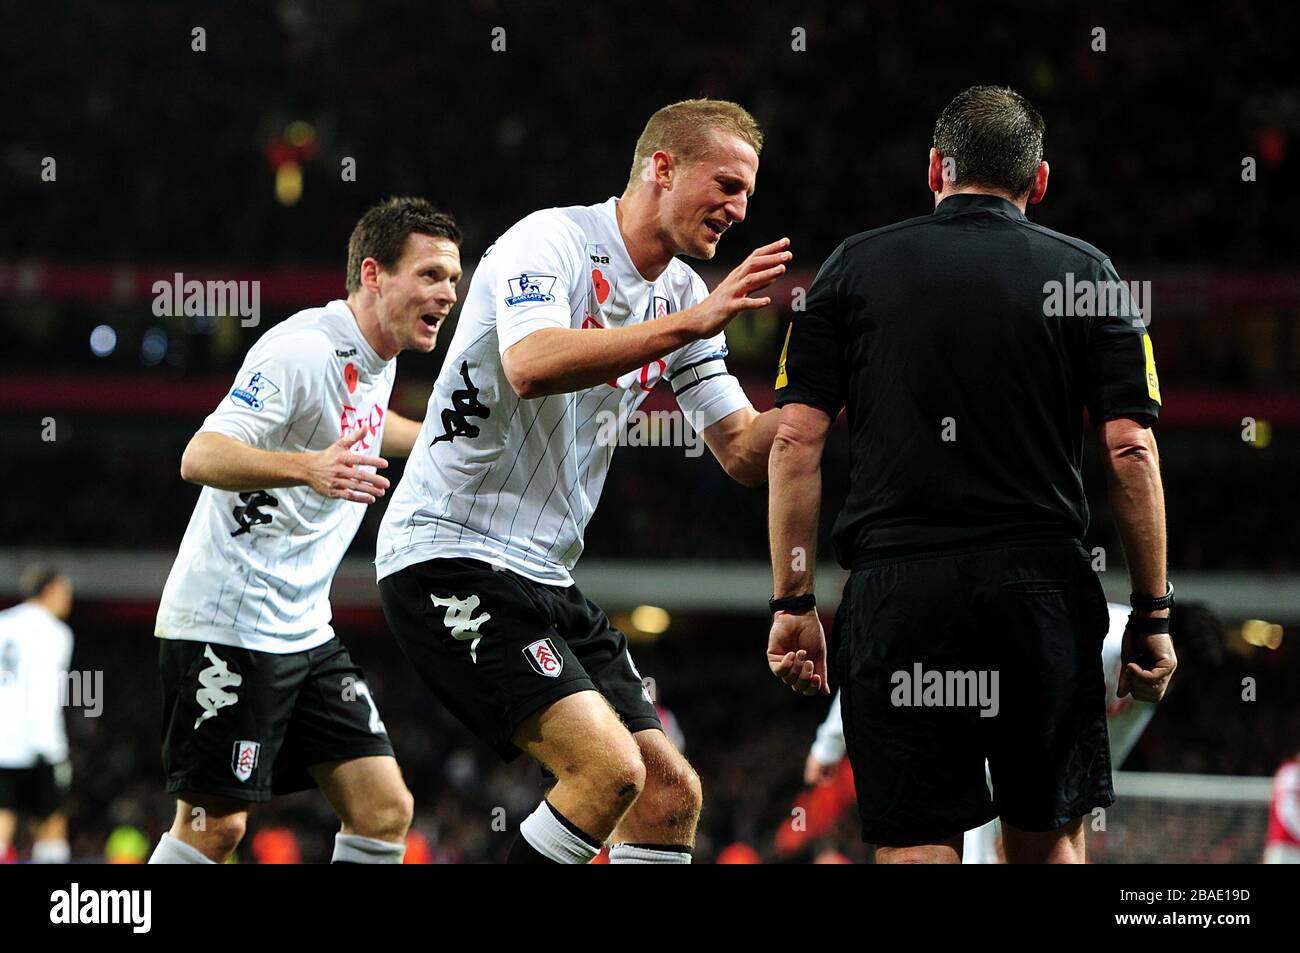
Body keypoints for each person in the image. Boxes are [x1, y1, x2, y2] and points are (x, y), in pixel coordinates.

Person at [767, 85, 1174, 864]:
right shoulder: (1087, 272)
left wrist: (793, 600)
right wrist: (1152, 612)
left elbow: (793, 443)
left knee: (916, 841)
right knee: (1047, 838)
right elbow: (1132, 450)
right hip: (1041, 594)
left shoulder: (853, 267)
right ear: (1040, 180)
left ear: (933, 170)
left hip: (900, 591)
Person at [377, 98, 787, 864]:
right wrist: (689, 328)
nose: (737, 209)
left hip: (547, 578)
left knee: (669, 797)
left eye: (747, 195)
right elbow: (530, 365)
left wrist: (820, 395)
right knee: (607, 770)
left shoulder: (685, 298)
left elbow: (741, 449)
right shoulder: (551, 241)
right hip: (446, 555)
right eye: (727, 185)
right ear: (662, 167)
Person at [149, 197, 462, 864]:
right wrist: (309, 468)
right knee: (214, 827)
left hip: (302, 629)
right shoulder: (302, 349)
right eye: (431, 275)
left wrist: (450, 440)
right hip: (226, 624)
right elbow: (200, 455)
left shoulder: (378, 353)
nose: (448, 293)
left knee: (384, 810)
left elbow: (371, 428)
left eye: (454, 279)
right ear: (374, 274)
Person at [801, 602, 1224, 862]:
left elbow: (1101, 757)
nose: (1169, 682)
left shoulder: (1150, 681)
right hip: (961, 727)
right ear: (1167, 645)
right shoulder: (1090, 639)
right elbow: (896, 669)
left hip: (1013, 763)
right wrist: (828, 745)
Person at [0, 566, 75, 863]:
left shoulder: (3, 624)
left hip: (2, 743)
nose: (68, 602)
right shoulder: (56, 633)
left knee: (3, 818)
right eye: (65, 594)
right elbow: (45, 692)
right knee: (52, 823)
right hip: (40, 744)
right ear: (49, 591)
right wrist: (52, 748)